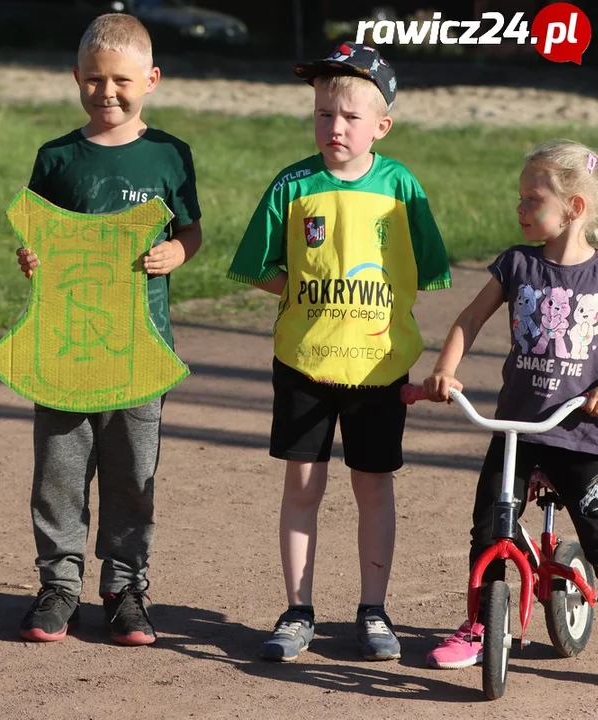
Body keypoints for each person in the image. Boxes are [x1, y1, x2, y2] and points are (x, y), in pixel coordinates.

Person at [227, 42, 452, 662]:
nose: (335, 127)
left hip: (380, 366)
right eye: (325, 113)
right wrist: (298, 287)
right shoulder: (293, 183)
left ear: (382, 125)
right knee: (303, 485)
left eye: (351, 116)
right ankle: (297, 610)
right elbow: (255, 266)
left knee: (373, 487)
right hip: (304, 361)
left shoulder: (403, 185)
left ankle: (373, 611)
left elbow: (429, 270)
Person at [14, 12, 202, 646]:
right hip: (64, 347)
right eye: (93, 80)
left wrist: (179, 252)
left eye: (122, 80)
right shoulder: (56, 158)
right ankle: (58, 587)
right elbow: (34, 237)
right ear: (76, 78)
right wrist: (31, 260)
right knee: (59, 472)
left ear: (150, 79)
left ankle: (125, 589)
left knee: (131, 475)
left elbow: (190, 229)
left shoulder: (171, 155)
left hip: (141, 350)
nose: (107, 92)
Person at [424, 139, 598, 669]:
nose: (519, 210)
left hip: (578, 435)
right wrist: (444, 370)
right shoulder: (516, 264)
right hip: (516, 430)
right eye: (519, 199)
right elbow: (470, 319)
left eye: (532, 200)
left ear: (574, 208)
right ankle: (478, 624)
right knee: (488, 527)